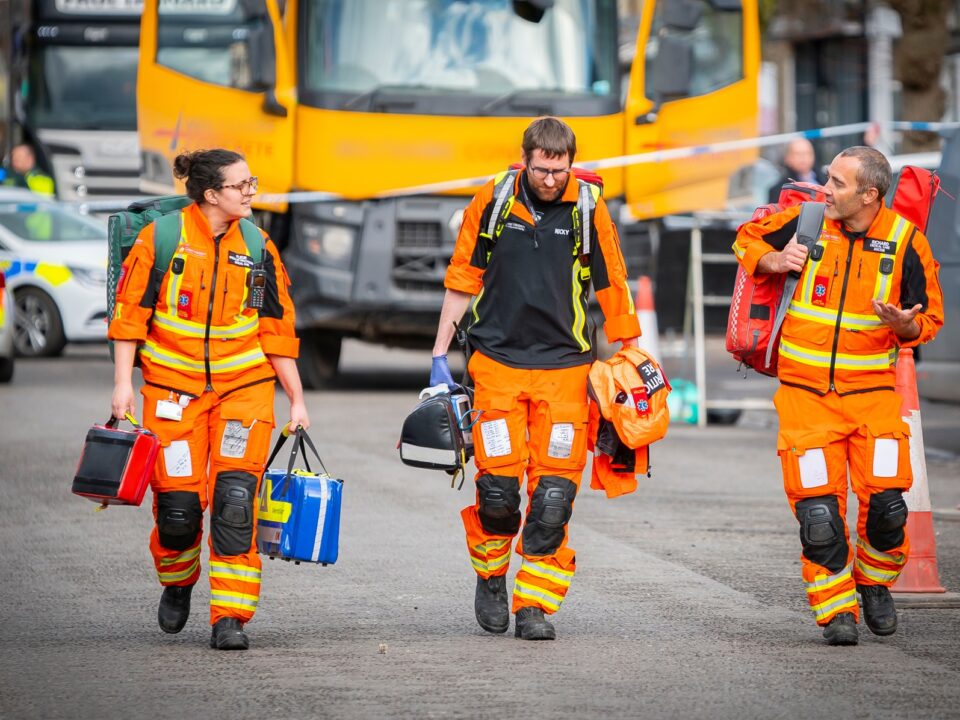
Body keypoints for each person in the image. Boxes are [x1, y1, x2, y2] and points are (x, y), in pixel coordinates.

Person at [431, 117, 640, 640]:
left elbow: (612, 283)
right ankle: (491, 577)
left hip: (566, 370)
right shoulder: (494, 201)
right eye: (542, 169)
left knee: (552, 498)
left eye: (560, 169)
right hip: (496, 365)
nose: (550, 179)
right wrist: (438, 354)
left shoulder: (590, 207)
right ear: (525, 159)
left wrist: (632, 355)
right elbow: (462, 277)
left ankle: (535, 606)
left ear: (571, 163)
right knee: (498, 493)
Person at [734, 146, 943, 646]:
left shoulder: (905, 242)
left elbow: (930, 319)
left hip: (873, 398)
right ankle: (835, 609)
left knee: (889, 508)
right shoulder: (806, 221)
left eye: (838, 184)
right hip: (806, 400)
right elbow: (745, 242)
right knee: (819, 516)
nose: (825, 190)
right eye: (827, 179)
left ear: (870, 194)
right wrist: (775, 258)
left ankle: (873, 582)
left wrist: (905, 324)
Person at [108, 149, 309, 651]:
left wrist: (296, 399)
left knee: (236, 502)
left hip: (244, 391)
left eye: (251, 182)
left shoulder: (259, 245)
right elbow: (129, 316)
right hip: (172, 395)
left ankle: (230, 619)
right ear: (211, 193)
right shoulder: (163, 238)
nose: (250, 191)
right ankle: (177, 583)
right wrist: (121, 385)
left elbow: (276, 329)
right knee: (177, 511)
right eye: (241, 185)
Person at [767, 137, 826, 203]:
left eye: (807, 153)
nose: (803, 158)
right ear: (787, 158)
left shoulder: (826, 179)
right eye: (798, 154)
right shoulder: (779, 190)